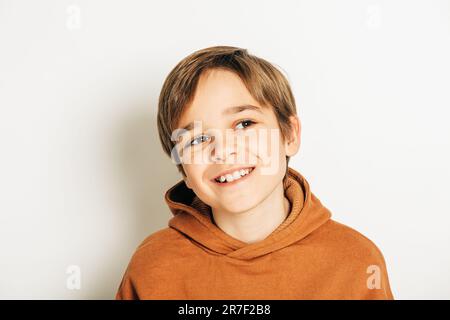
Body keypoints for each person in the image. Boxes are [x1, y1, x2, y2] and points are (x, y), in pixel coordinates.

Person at [115, 46, 394, 299]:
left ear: (290, 135)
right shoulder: (152, 267)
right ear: (184, 170)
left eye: (244, 123)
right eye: (197, 140)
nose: (223, 150)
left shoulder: (356, 262)